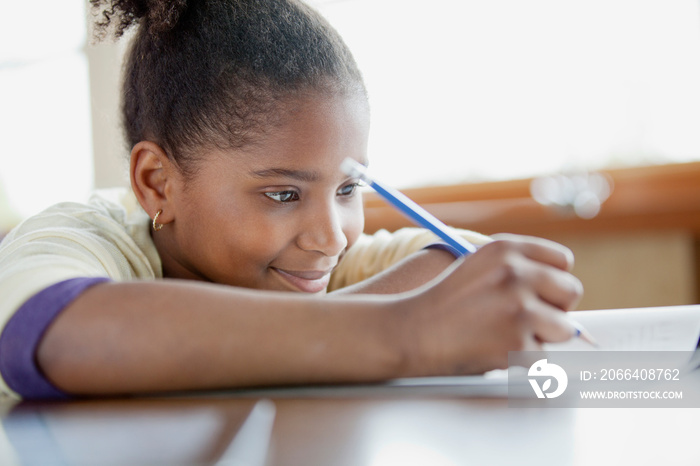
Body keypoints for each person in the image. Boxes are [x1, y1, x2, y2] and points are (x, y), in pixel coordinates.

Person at [0, 0, 582, 399]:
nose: (331, 236)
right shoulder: (86, 238)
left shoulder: (312, 265)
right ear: (158, 182)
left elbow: (463, 262)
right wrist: (398, 333)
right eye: (283, 193)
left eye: (348, 188)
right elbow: (52, 331)